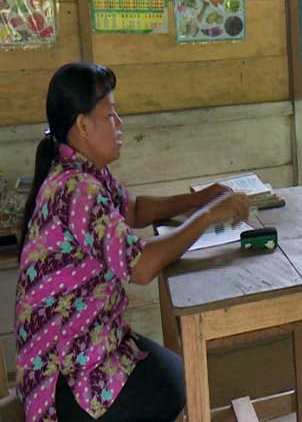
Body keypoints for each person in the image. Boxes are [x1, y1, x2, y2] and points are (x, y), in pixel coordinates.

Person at [15, 63, 250, 422]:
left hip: (88, 342)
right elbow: (140, 268)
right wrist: (208, 217)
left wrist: (199, 198)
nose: (120, 124)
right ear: (82, 125)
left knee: (178, 376)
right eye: (111, 115)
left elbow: (135, 209)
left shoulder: (83, 171)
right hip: (63, 373)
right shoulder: (76, 189)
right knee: (176, 386)